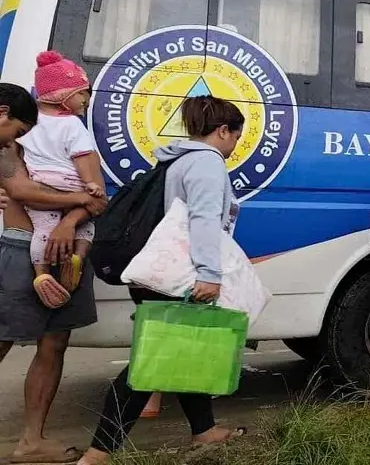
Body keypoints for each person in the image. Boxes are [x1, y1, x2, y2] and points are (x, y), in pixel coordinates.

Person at [77, 96, 248, 465]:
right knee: (151, 362)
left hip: (157, 272)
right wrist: (209, 273)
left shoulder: (176, 158)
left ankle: (204, 431)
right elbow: (202, 220)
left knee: (187, 350)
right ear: (223, 131)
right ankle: (97, 454)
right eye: (235, 137)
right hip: (178, 276)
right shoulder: (206, 162)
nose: (234, 147)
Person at [0, 81, 110, 465]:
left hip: (69, 249)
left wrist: (69, 220)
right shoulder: (7, 146)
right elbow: (23, 191)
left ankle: (31, 441)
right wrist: (79, 198)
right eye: (20, 129)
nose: (24, 136)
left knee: (54, 345)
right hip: (20, 247)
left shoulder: (67, 137)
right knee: (2, 339)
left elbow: (100, 198)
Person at [19, 52, 106, 309]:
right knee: (87, 227)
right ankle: (76, 258)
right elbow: (82, 158)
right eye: (82, 94)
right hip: (72, 183)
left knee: (43, 231)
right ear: (63, 95)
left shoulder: (28, 123)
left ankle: (42, 273)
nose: (86, 101)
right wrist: (90, 186)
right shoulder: (72, 125)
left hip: (41, 183)